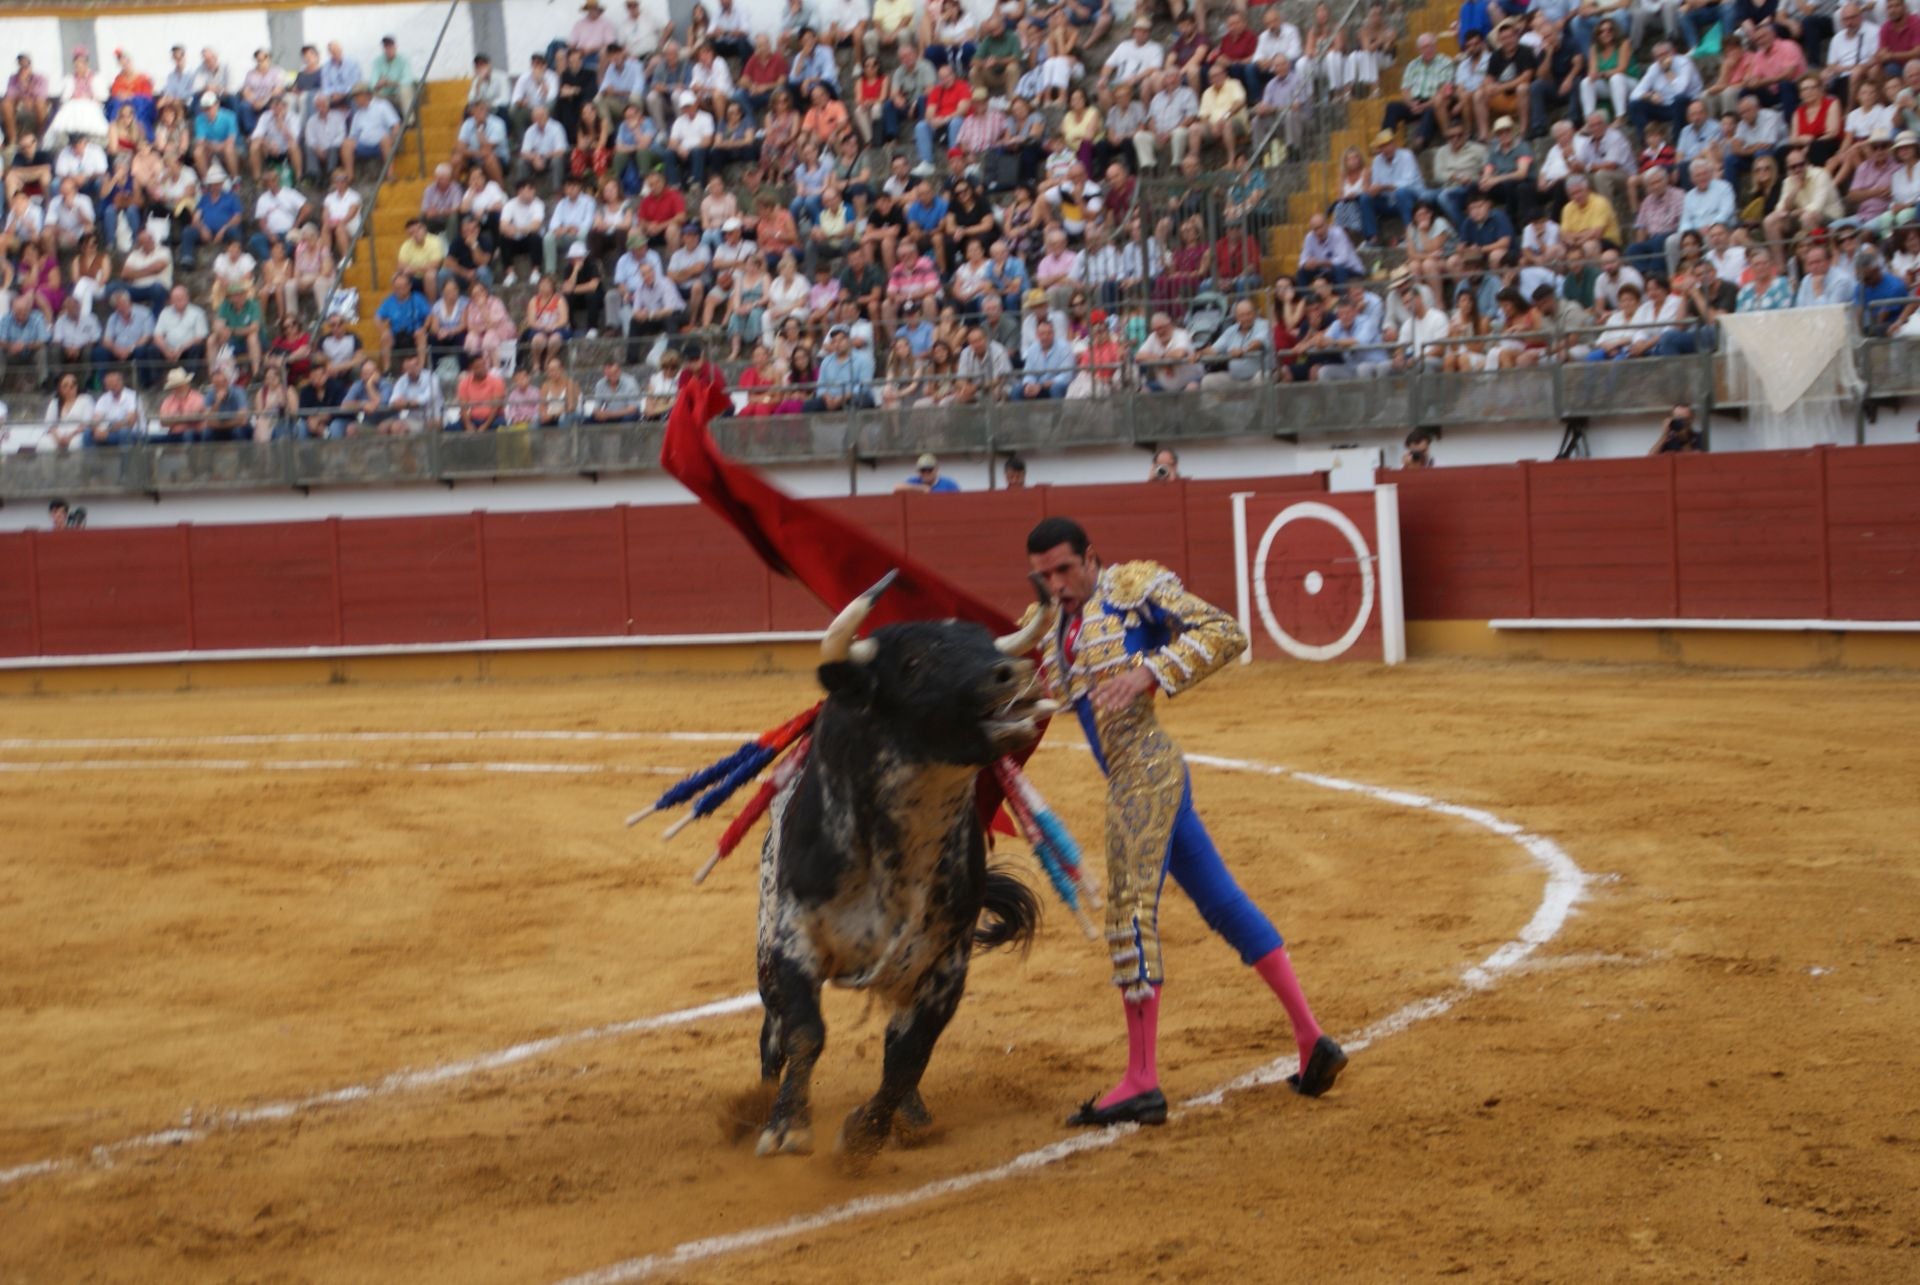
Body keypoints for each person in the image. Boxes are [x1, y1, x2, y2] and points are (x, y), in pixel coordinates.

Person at [1023, 516, 1345, 1129]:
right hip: (1142, 778)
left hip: (1146, 774)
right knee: (1223, 902)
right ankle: (1312, 1040)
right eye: (1045, 576)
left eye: (1065, 569)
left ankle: (1142, 1081)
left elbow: (1225, 630)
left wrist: (1149, 672)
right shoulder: (1049, 624)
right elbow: (1016, 680)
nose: (1057, 584)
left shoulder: (1131, 587)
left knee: (1127, 912)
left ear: (1091, 557)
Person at [896, 450, 960, 492]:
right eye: (922, 470)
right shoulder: (915, 481)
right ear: (918, 471)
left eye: (929, 469)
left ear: (936, 469)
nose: (926, 473)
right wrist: (921, 488)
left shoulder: (949, 484)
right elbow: (898, 488)